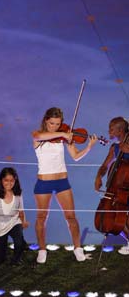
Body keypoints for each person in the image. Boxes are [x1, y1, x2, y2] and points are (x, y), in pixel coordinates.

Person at [32, 107, 97, 263]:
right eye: (52, 123)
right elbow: (40, 135)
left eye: (58, 124)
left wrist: (88, 147)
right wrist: (62, 133)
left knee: (71, 217)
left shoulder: (64, 137)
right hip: (43, 183)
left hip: (62, 182)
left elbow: (75, 156)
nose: (55, 126)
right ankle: (42, 250)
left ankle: (78, 248)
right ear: (46, 121)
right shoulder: (37, 136)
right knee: (41, 217)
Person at [94, 117, 129, 254]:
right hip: (120, 192)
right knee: (118, 222)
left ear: (120, 130)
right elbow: (104, 166)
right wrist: (98, 176)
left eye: (112, 128)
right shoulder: (114, 148)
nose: (109, 131)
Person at [0, 167, 29, 266]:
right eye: (6, 180)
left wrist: (23, 222)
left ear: (15, 181)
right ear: (1, 180)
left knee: (18, 241)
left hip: (13, 222)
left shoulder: (18, 193)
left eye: (12, 181)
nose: (9, 183)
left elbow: (21, 211)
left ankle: (17, 258)